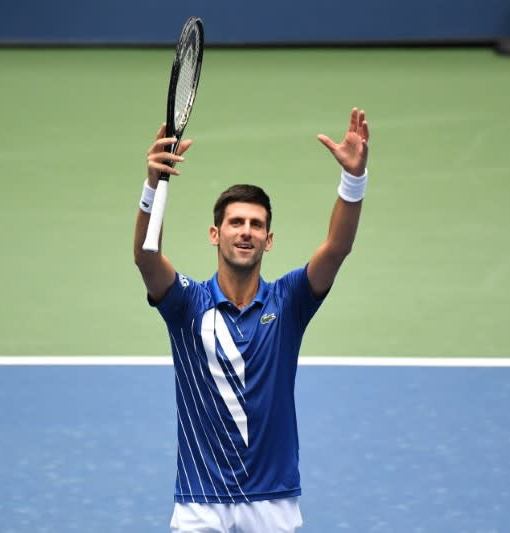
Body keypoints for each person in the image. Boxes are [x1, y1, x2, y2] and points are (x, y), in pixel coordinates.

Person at [132, 108, 370, 532]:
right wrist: (153, 184)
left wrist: (353, 181)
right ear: (215, 233)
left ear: (269, 240)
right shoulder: (187, 304)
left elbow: (336, 248)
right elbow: (146, 257)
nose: (245, 231)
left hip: (272, 502)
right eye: (236, 222)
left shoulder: (290, 300)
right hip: (200, 502)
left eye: (256, 224)